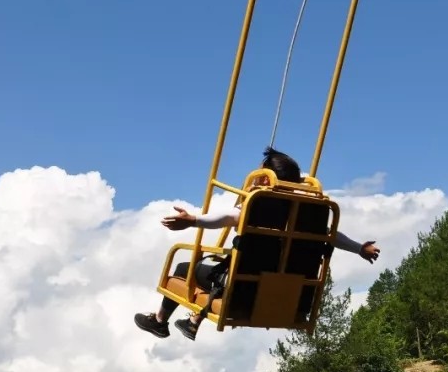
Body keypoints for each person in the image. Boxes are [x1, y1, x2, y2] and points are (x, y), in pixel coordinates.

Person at [134, 146, 381, 341]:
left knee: (183, 269)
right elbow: (332, 235)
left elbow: (226, 218)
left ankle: (159, 321)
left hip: (243, 291)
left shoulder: (259, 206)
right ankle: (192, 319)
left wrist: (193, 221)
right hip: (291, 297)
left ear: (264, 179)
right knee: (225, 264)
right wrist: (359, 248)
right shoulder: (308, 214)